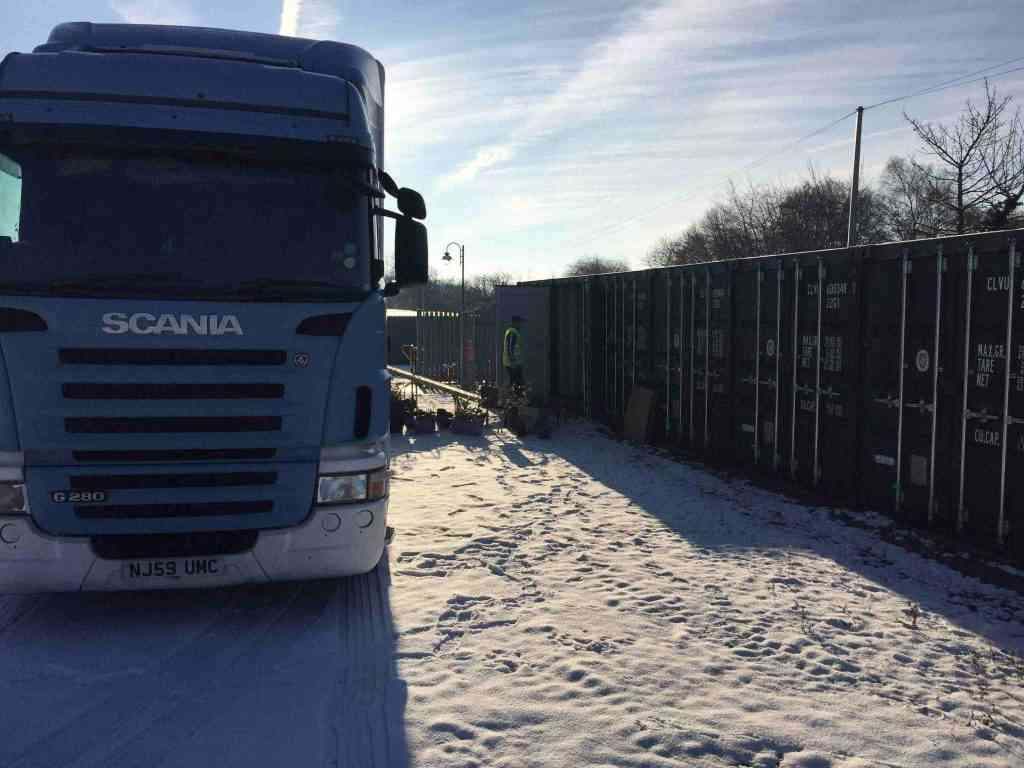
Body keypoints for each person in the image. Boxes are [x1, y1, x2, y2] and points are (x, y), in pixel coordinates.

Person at [502, 316, 525, 389]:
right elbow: (510, 347)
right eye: (519, 323)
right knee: (516, 380)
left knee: (515, 380)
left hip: (514, 361)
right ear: (515, 323)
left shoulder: (511, 331)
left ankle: (514, 395)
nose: (520, 325)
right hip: (513, 362)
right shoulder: (513, 332)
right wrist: (512, 359)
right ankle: (510, 395)